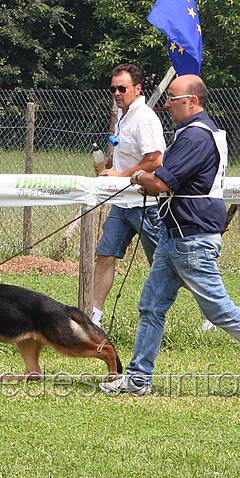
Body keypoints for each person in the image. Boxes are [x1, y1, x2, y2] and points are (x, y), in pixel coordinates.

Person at [100, 74, 240, 396]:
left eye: (173, 100)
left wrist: (137, 175)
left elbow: (162, 182)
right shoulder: (203, 132)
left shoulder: (194, 137)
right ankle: (138, 379)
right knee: (151, 306)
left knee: (221, 312)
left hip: (192, 240)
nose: (167, 106)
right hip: (174, 238)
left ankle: (137, 378)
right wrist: (145, 176)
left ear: (192, 102)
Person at [92, 63, 165, 326]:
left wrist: (122, 176)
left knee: (169, 264)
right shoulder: (124, 116)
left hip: (147, 204)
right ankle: (94, 317)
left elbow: (155, 159)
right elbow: (131, 153)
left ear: (137, 89)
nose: (116, 93)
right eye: (113, 88)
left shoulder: (144, 117)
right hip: (122, 203)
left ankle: (209, 310)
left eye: (122, 88)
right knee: (105, 255)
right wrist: (112, 164)